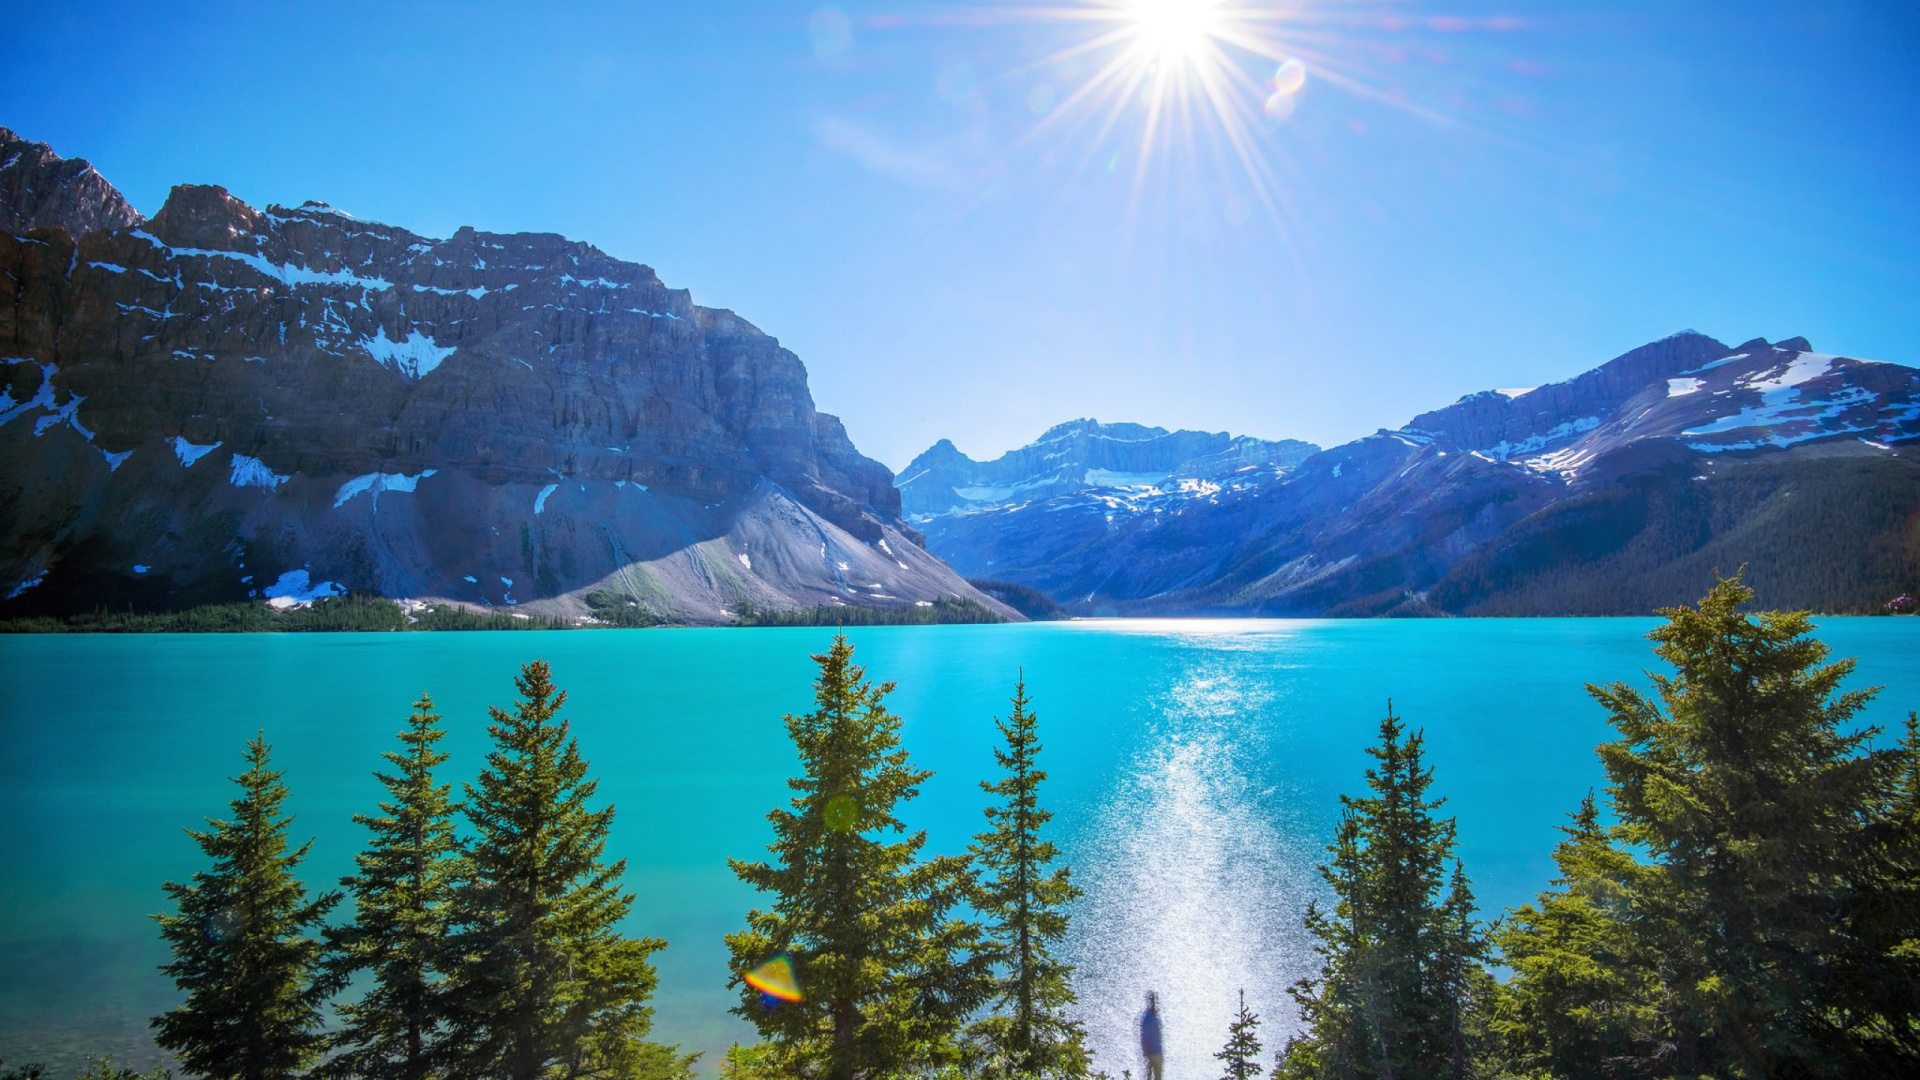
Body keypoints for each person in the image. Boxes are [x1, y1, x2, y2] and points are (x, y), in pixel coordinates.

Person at [1140, 990, 1164, 1080]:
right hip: (1155, 1052)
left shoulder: (1146, 1016)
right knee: (1157, 1077)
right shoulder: (1153, 1016)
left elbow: (1143, 1037)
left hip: (1149, 1052)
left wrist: (1144, 1052)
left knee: (1148, 1076)